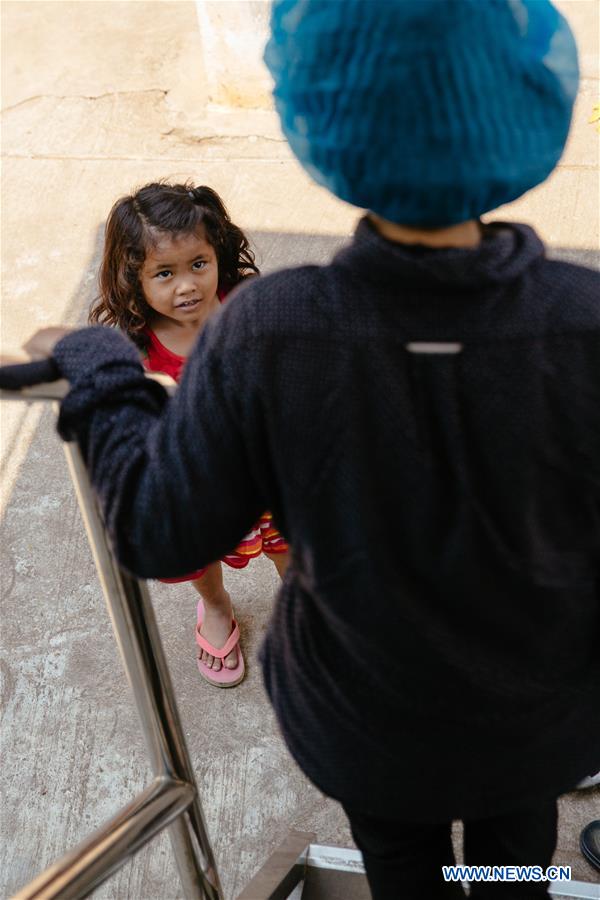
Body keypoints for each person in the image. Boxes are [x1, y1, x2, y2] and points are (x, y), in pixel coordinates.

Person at [4, 1, 600, 897]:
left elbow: (160, 531)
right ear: (529, 106)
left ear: (323, 122)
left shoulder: (270, 333)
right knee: (513, 861)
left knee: (406, 868)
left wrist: (99, 368)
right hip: (536, 722)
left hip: (368, 726)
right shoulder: (583, 323)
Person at [88, 181, 290, 686]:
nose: (187, 286)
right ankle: (217, 607)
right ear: (133, 279)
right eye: (164, 273)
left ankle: (304, 610)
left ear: (217, 253)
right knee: (199, 560)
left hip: (269, 471)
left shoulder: (248, 306)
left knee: (295, 547)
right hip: (199, 486)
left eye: (198, 264)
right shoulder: (137, 352)